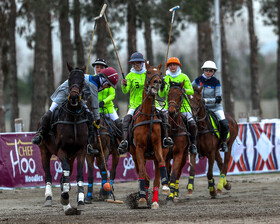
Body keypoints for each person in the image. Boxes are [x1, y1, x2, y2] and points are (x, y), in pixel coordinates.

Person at [32, 66, 119, 155]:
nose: (108, 87)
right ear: (104, 80)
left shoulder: (96, 82)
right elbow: (95, 104)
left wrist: (93, 117)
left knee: (89, 116)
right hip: (64, 93)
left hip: (77, 95)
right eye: (108, 84)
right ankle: (40, 134)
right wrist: (97, 119)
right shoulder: (94, 84)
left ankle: (88, 145)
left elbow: (84, 93)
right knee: (49, 112)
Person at [117, 52, 173, 155]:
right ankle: (125, 141)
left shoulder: (149, 73)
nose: (136, 65)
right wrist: (124, 84)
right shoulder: (130, 75)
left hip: (152, 103)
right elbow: (125, 91)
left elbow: (160, 91)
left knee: (164, 115)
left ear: (142, 63)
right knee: (126, 119)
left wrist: (163, 85)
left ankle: (166, 138)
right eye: (134, 63)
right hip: (135, 104)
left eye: (138, 63)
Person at [159, 57, 198, 155]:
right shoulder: (165, 78)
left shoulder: (184, 77)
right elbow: (161, 95)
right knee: (160, 123)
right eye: (170, 65)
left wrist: (183, 90)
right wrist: (162, 88)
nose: (172, 67)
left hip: (183, 107)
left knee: (192, 123)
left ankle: (192, 144)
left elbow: (191, 90)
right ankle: (162, 141)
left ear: (178, 66)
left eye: (174, 65)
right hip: (169, 107)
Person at [192, 60, 229, 152]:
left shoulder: (216, 82)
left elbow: (218, 99)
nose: (208, 72)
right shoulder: (198, 80)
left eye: (210, 71)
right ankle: (192, 143)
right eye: (206, 70)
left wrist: (206, 100)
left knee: (224, 123)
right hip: (201, 108)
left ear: (213, 72)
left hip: (215, 108)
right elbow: (189, 88)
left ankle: (223, 142)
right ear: (203, 70)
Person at [92, 58, 123, 142]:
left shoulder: (109, 80)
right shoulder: (91, 79)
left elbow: (112, 95)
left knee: (119, 124)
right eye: (97, 67)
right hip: (95, 109)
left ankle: (122, 143)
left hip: (108, 108)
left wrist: (103, 101)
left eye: (101, 67)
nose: (99, 69)